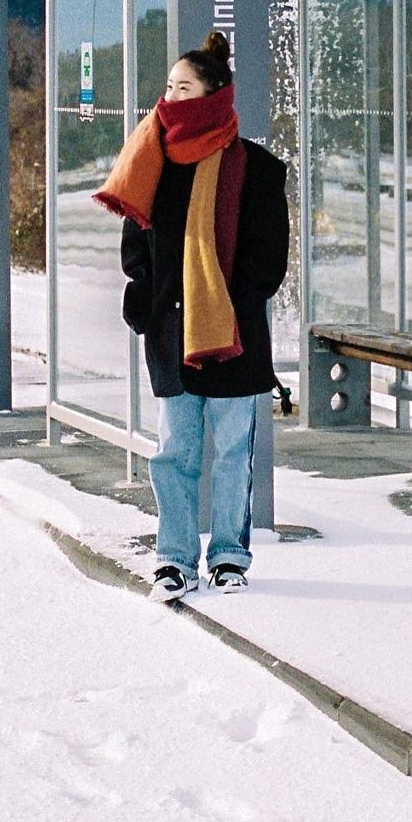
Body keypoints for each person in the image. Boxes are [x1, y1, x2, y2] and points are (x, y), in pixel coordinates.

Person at [92, 31, 288, 602]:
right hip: (170, 328)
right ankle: (175, 558)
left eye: (184, 88)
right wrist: (143, 299)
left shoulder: (257, 169)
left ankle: (229, 554)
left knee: (231, 451)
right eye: (168, 87)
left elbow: (267, 256)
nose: (170, 98)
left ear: (213, 96)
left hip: (231, 332)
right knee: (174, 451)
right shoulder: (152, 157)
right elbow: (137, 241)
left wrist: (233, 303)